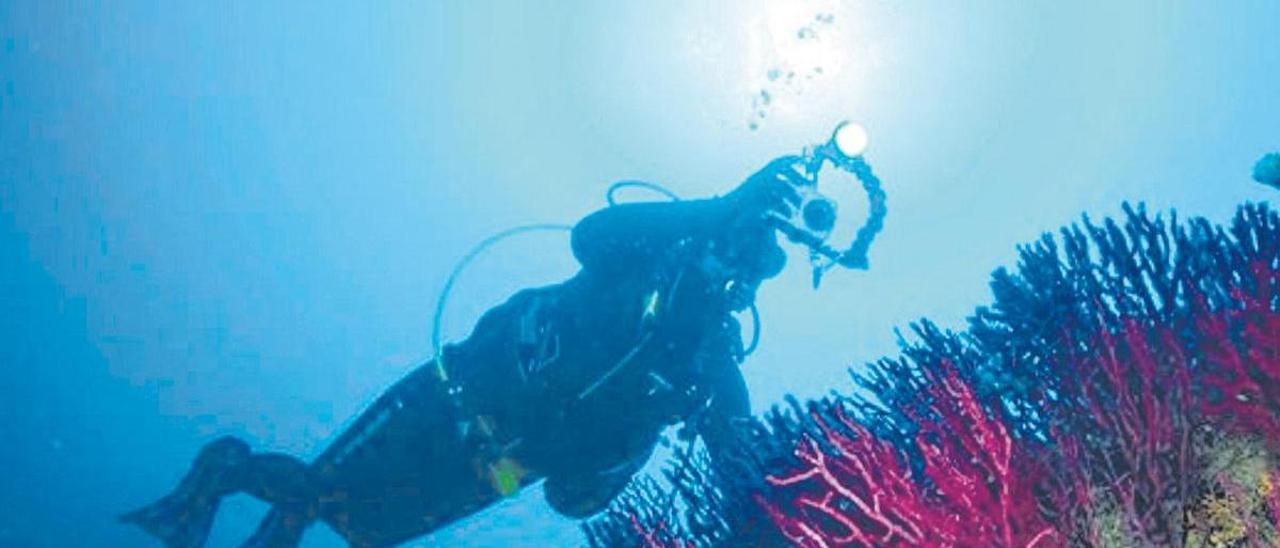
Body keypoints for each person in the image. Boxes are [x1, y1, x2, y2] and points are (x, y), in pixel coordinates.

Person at [122, 157, 806, 548]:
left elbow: (736, 458)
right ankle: (223, 471)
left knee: (362, 529)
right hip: (451, 396)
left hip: (504, 471)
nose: (733, 273)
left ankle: (235, 483)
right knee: (312, 491)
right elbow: (592, 234)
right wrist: (720, 206)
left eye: (755, 268)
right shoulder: (640, 261)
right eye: (733, 245)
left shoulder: (711, 362)